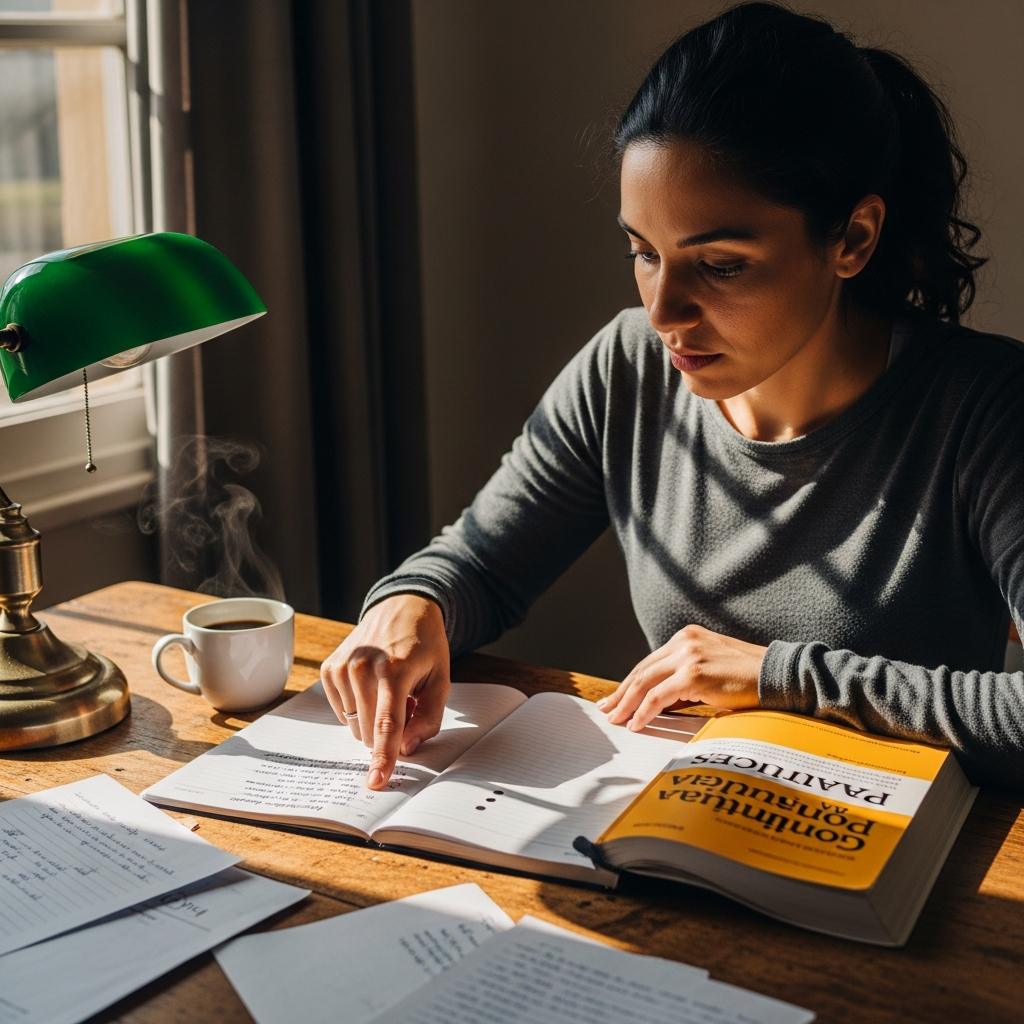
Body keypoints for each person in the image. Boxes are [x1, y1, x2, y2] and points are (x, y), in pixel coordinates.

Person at [321, 2, 1024, 793]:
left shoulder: (988, 410)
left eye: (720, 265)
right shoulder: (628, 367)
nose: (664, 313)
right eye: (644, 253)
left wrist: (783, 677)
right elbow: (482, 565)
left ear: (853, 239)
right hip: (690, 826)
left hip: (917, 870)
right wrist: (416, 603)